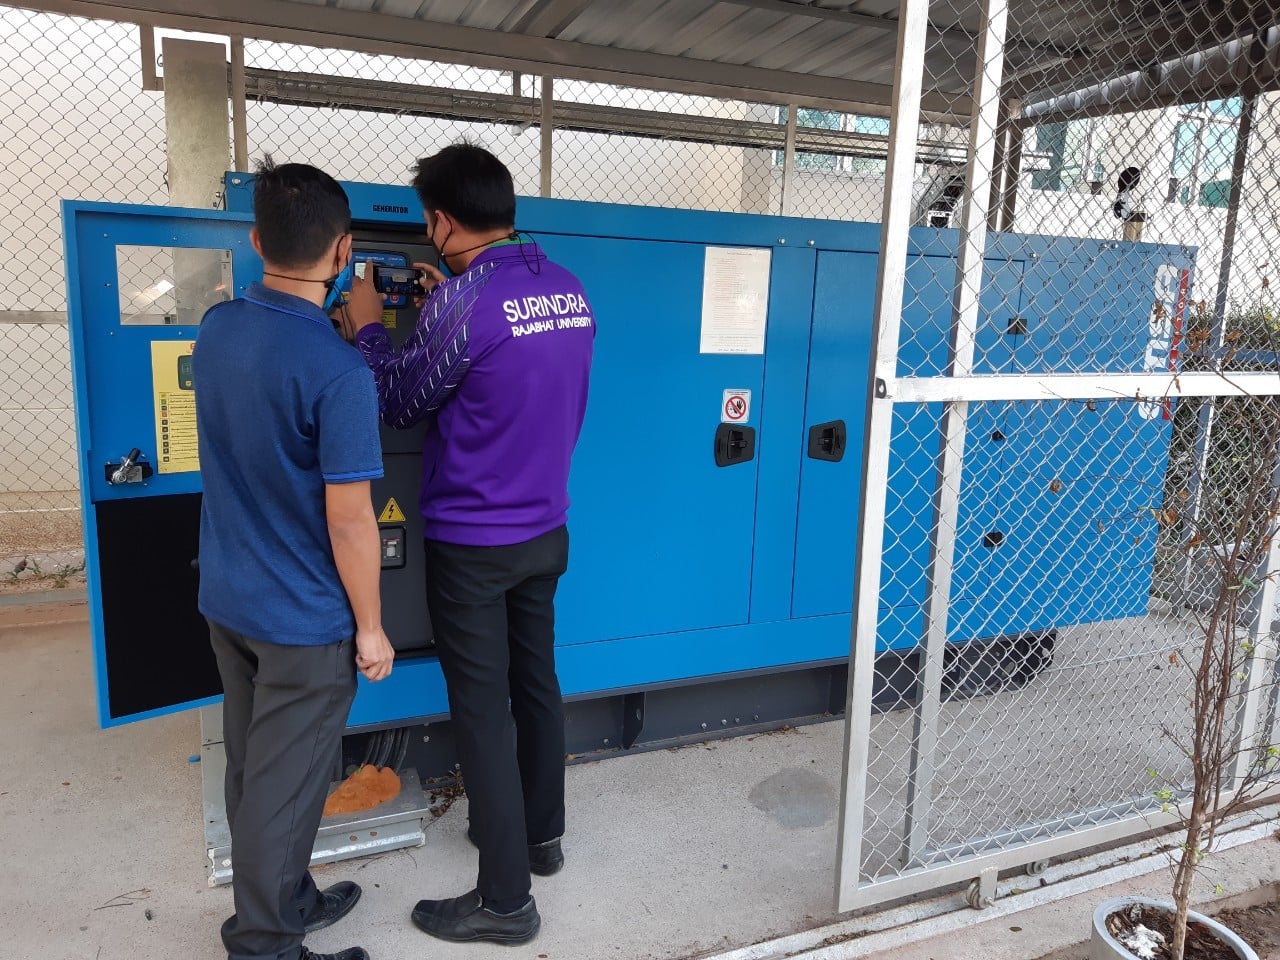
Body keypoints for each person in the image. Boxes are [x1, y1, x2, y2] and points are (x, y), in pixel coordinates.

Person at [341, 143, 595, 945]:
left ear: (443, 222)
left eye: (428, 221)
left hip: (474, 542)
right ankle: (542, 839)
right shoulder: (568, 287)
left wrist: (368, 325)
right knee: (536, 683)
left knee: (482, 710)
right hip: (544, 530)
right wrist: (441, 305)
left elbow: (399, 401)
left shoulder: (463, 305)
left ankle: (506, 901)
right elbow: (505, 358)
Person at [195, 158, 396, 960]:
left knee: (256, 770)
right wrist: (371, 628)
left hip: (230, 598)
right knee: (286, 785)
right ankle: (266, 944)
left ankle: (289, 897)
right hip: (303, 621)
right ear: (344, 251)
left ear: (256, 242)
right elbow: (351, 522)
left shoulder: (218, 328)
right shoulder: (339, 370)